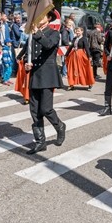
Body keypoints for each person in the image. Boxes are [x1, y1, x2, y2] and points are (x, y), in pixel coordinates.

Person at [23, 10, 66, 154]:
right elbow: (27, 53)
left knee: (46, 109)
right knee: (34, 111)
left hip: (47, 75)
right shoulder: (31, 34)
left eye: (42, 16)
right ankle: (40, 141)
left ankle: (60, 126)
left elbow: (48, 45)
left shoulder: (54, 33)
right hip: (35, 74)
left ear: (48, 18)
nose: (39, 18)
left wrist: (36, 33)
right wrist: (26, 63)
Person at [65, 26, 94, 90]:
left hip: (81, 55)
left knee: (84, 69)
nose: (77, 32)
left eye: (78, 31)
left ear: (82, 32)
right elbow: (70, 47)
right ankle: (71, 84)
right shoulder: (74, 38)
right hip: (74, 55)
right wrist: (66, 54)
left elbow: (86, 48)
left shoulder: (84, 39)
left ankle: (89, 83)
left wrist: (89, 56)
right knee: (72, 69)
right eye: (76, 31)